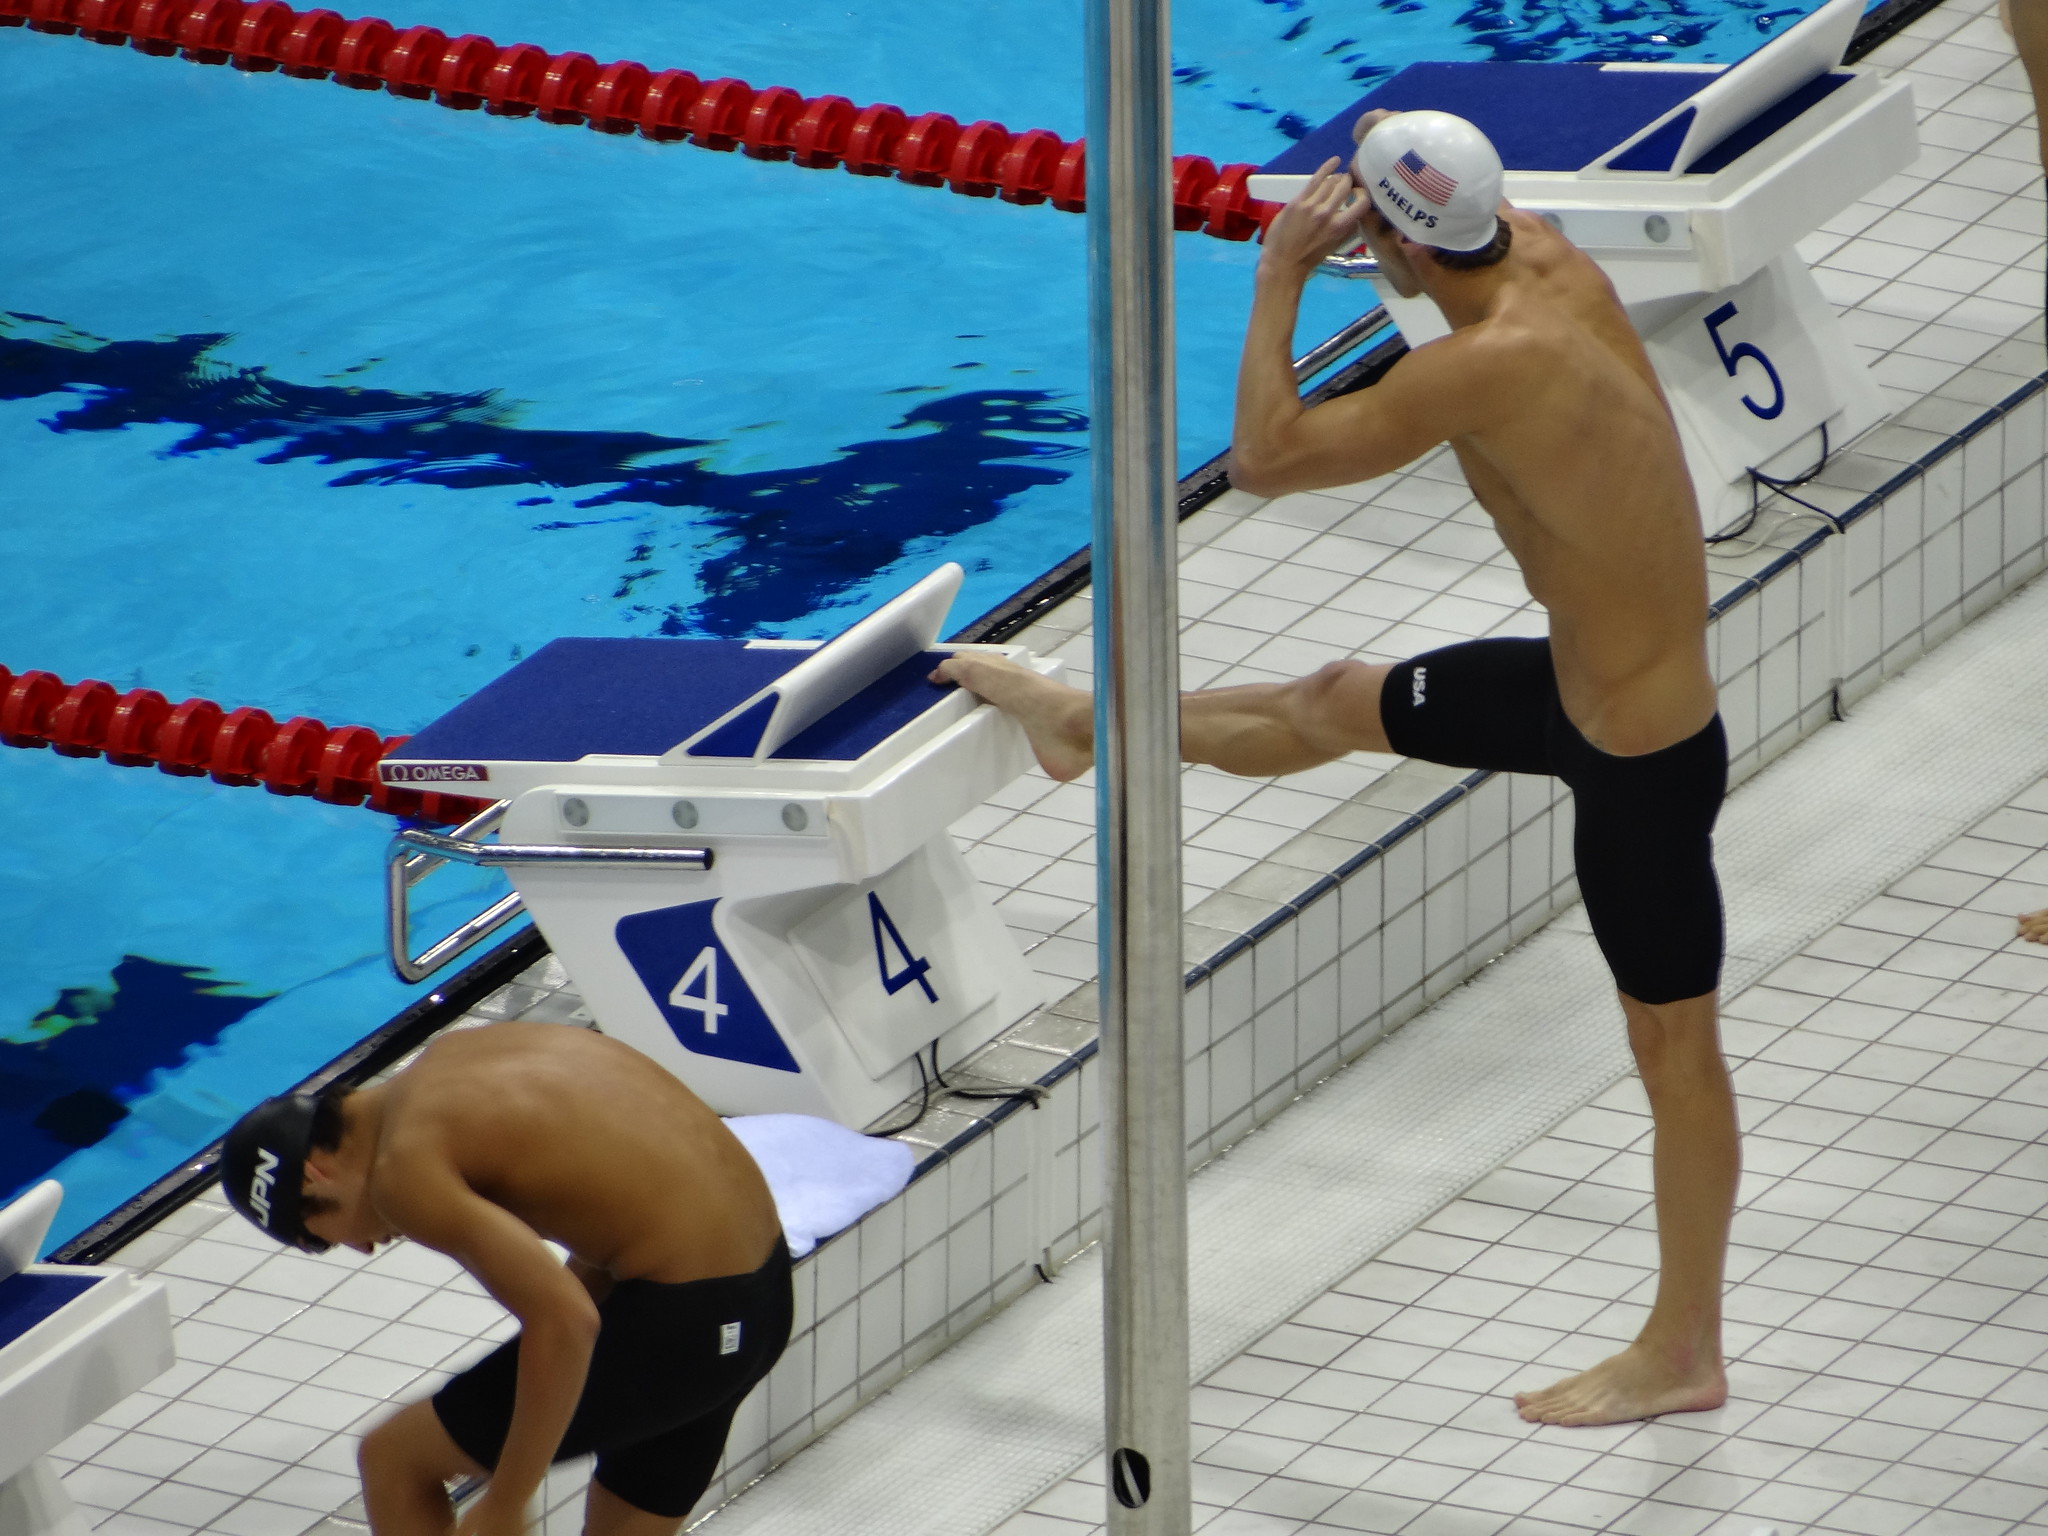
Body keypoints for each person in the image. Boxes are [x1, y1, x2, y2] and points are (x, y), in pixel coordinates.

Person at [936, 110, 1736, 1428]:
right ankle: (1082, 728)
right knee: (1330, 703)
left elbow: (1263, 459)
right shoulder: (1538, 255)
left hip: (1639, 754)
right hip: (1585, 688)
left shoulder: (1494, 363)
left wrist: (1281, 274)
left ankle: (1684, 1350)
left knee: (1675, 1050)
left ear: (1385, 237)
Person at [219, 1023, 789, 1536]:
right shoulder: (454, 1055)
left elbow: (565, 1322)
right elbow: (621, 1201)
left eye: (320, 1235)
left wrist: (506, 1501)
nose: (360, 1247)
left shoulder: (402, 1168)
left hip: (690, 1323)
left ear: (315, 1173)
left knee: (394, 1460)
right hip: (763, 1295)